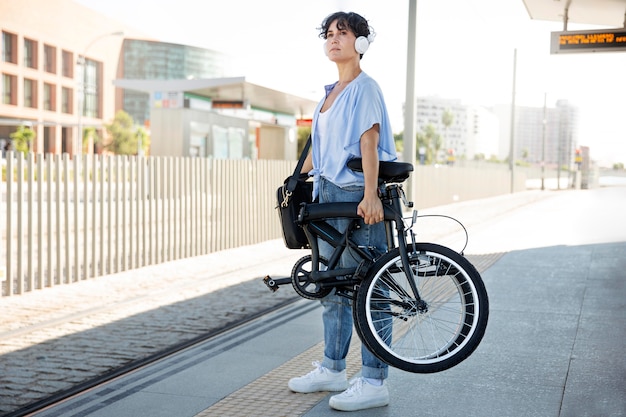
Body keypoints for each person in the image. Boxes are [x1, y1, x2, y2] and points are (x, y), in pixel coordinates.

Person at [287, 11, 397, 412]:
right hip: (326, 195)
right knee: (332, 283)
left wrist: (371, 195)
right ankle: (333, 368)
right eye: (329, 34)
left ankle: (373, 381)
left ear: (361, 42)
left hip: (354, 194)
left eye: (342, 33)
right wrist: (295, 181)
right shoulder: (328, 94)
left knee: (371, 289)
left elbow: (369, 141)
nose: (333, 39)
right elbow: (318, 151)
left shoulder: (365, 88)